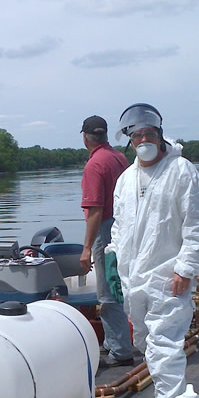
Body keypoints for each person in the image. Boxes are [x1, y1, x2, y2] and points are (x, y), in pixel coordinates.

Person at [107, 103, 199, 398]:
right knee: (145, 344)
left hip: (169, 276)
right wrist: (113, 259)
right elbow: (120, 225)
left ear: (159, 134)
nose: (143, 139)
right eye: (137, 134)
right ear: (130, 139)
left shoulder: (181, 171)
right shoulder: (126, 179)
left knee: (164, 347)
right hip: (135, 279)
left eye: (148, 133)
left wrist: (187, 267)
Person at [79, 115, 134, 366]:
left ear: (85, 137)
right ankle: (113, 341)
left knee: (108, 293)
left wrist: (87, 248)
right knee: (120, 285)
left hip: (106, 230)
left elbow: (96, 211)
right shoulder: (119, 158)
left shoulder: (94, 165)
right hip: (125, 229)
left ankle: (121, 351)